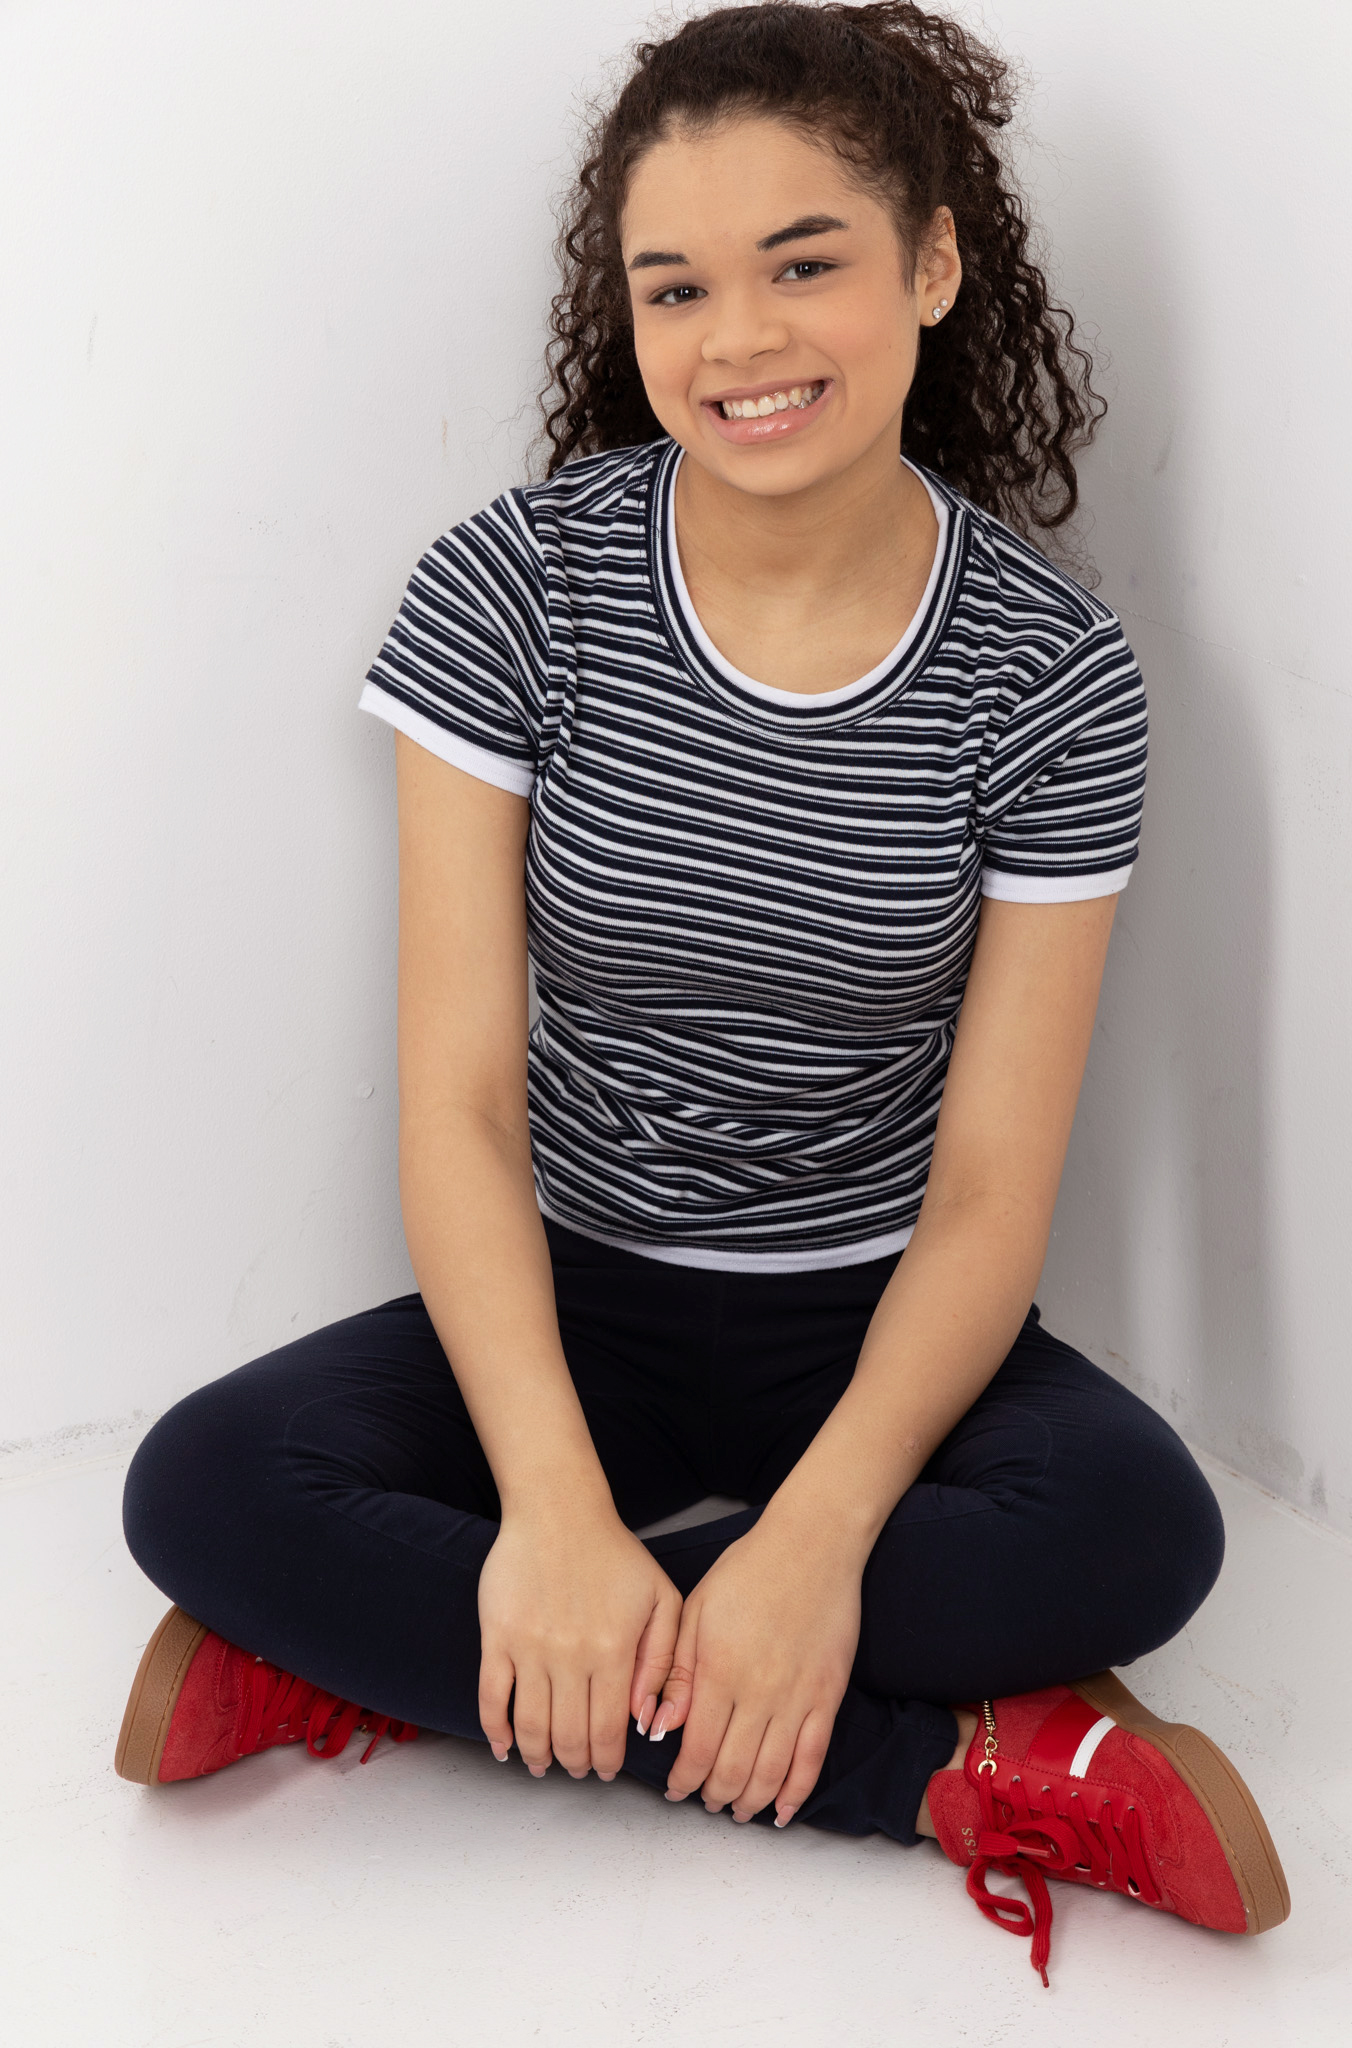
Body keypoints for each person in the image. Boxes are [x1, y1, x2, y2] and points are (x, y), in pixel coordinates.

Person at [115, 1, 1288, 1983]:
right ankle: (952, 1774)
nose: (736, 338)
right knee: (205, 1486)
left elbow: (991, 1189)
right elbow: (460, 1104)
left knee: (1139, 1536)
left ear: (931, 264)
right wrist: (549, 1507)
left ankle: (397, 1651)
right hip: (568, 1300)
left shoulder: (1049, 673)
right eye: (675, 287)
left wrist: (814, 1542)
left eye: (801, 264)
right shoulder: (511, 589)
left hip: (873, 1315)